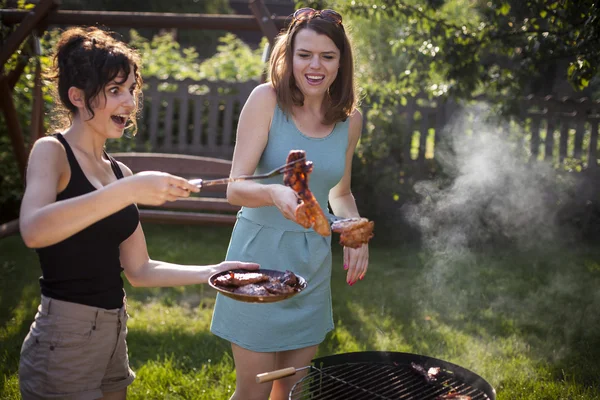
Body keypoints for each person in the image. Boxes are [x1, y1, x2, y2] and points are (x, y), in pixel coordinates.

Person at [17, 27, 258, 400]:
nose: (130, 102)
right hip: (63, 338)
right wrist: (127, 191)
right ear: (77, 97)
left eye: (131, 89)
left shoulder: (119, 172)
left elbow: (140, 270)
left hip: (114, 333)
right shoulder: (52, 152)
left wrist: (213, 272)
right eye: (115, 90)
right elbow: (33, 230)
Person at [210, 8, 370, 400]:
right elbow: (235, 188)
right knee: (254, 391)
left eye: (327, 56)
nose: (315, 66)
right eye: (305, 55)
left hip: (311, 266)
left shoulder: (351, 121)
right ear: (289, 56)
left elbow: (341, 193)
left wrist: (355, 230)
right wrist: (273, 193)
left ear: (341, 62)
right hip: (258, 266)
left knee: (293, 390)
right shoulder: (266, 100)